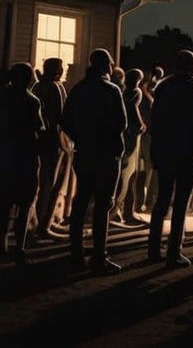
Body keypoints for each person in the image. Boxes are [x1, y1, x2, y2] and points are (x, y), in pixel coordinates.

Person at [61, 48, 128, 275]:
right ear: (106, 65)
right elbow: (122, 123)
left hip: (84, 151)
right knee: (103, 203)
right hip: (107, 153)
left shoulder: (79, 89)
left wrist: (81, 137)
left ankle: (76, 252)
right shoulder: (111, 90)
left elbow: (66, 120)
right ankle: (99, 256)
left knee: (81, 201)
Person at [147, 49, 193, 268]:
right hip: (186, 152)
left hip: (164, 150)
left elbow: (154, 120)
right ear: (192, 66)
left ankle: (153, 248)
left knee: (161, 200)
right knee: (180, 203)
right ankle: (174, 251)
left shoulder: (163, 87)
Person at [0, 63, 44, 265]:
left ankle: (2, 245)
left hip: (5, 156)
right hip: (25, 157)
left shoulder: (3, 98)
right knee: (25, 206)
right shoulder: (31, 101)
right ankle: (20, 248)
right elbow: (38, 127)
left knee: (3, 204)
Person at [30, 57, 67, 241]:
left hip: (38, 139)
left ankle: (37, 222)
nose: (63, 70)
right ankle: (45, 224)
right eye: (61, 67)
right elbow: (62, 115)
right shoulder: (55, 87)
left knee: (39, 181)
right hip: (53, 139)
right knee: (51, 182)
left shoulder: (36, 86)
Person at [112, 68, 146, 226]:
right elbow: (134, 108)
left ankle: (120, 210)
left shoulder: (122, 92)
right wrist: (141, 124)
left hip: (124, 135)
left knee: (123, 174)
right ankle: (122, 210)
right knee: (129, 174)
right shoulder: (136, 92)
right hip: (131, 136)